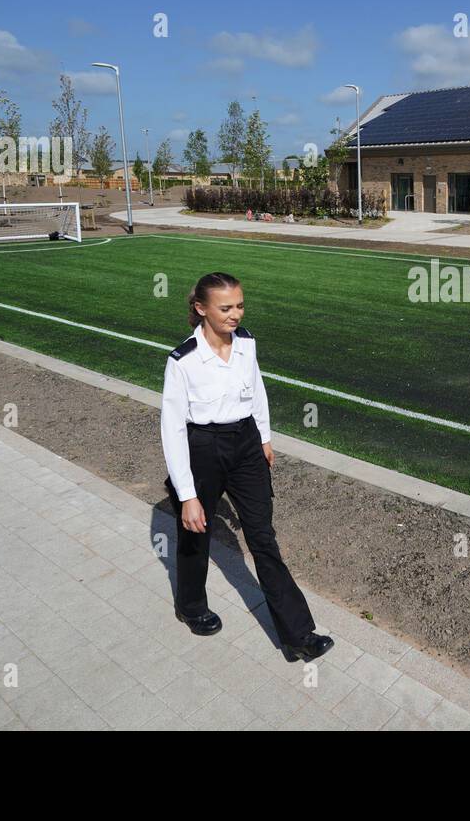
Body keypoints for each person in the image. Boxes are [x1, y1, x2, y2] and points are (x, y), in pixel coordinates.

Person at [160, 271, 334, 663]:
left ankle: (297, 635)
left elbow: (256, 388)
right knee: (195, 535)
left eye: (239, 305)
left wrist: (265, 437)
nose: (235, 314)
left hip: (245, 445)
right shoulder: (183, 362)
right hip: (201, 449)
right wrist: (187, 496)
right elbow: (171, 430)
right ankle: (190, 606)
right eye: (225, 308)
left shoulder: (247, 344)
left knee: (263, 538)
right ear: (200, 309)